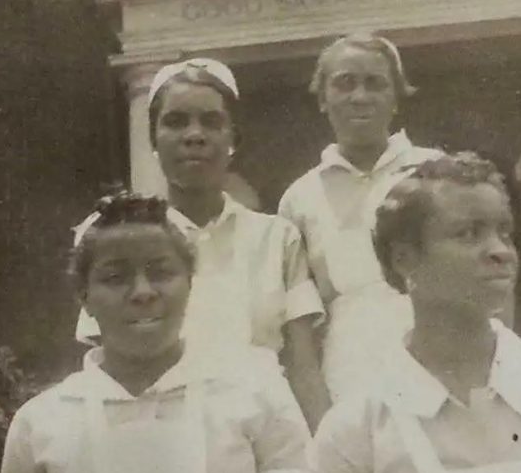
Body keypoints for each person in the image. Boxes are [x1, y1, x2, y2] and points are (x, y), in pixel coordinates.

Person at [310, 153, 521, 473]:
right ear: (404, 259)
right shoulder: (357, 427)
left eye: (504, 233)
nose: (500, 251)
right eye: (468, 233)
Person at [75, 58, 330, 431]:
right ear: (153, 140)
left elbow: (304, 371)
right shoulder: (113, 236)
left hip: (264, 432)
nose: (194, 135)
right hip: (158, 428)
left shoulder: (277, 238)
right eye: (176, 122)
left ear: (233, 140)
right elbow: (97, 363)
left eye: (211, 122)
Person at [1, 192, 310, 473]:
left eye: (161, 272)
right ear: (84, 297)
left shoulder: (256, 396)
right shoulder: (41, 423)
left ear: (189, 283)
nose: (143, 292)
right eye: (115, 278)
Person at [279, 33, 442, 401]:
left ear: (396, 98)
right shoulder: (300, 198)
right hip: (350, 379)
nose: (360, 97)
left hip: (438, 366)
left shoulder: (436, 171)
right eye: (344, 83)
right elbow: (300, 332)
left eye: (376, 84)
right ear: (323, 99)